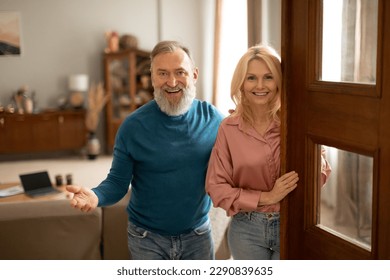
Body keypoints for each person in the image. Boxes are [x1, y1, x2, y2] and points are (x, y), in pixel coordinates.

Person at [66, 40, 224, 260]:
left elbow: (237, 164)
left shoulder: (214, 119)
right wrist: (95, 196)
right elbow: (117, 183)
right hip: (147, 238)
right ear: (152, 78)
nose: (172, 82)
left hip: (198, 235)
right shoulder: (132, 127)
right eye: (162, 73)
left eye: (180, 72)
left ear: (194, 75)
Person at [205, 44, 331, 260]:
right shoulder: (229, 128)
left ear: (279, 82)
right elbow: (216, 188)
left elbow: (320, 177)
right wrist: (267, 197)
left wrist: (316, 160)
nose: (260, 85)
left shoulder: (295, 124)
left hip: (292, 224)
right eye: (251, 77)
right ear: (241, 83)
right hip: (247, 231)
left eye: (268, 77)